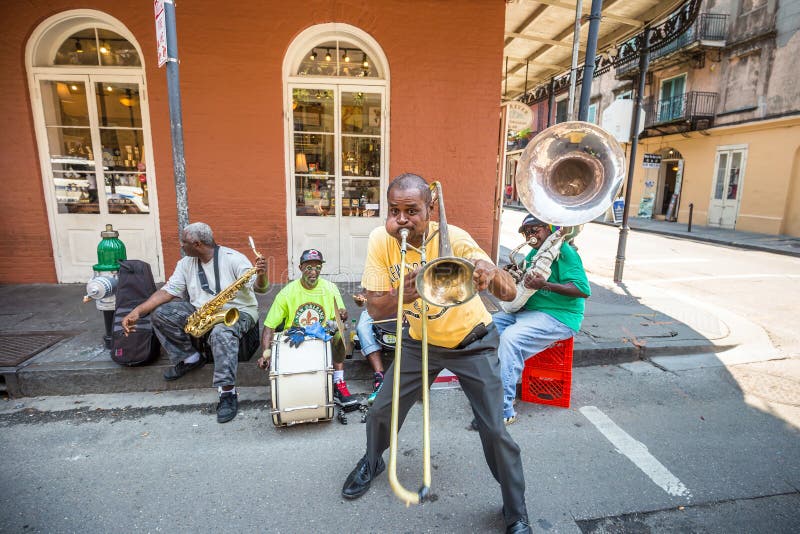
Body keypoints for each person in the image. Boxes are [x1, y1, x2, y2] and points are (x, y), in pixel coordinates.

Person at [341, 173, 532, 534]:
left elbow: (509, 295)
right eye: (394, 210)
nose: (401, 219)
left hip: (471, 342)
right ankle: (372, 461)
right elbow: (377, 310)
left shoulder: (456, 238)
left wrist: (490, 273)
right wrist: (406, 293)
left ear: (430, 209)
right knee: (382, 409)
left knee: (494, 428)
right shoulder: (381, 241)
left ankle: (515, 511)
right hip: (419, 340)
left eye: (411, 211)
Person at [121, 222, 269, 423]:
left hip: (237, 312)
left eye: (184, 242)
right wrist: (138, 311)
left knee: (221, 333)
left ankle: (227, 393)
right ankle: (189, 358)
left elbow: (260, 288)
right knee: (161, 314)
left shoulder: (233, 259)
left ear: (197, 244)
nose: (181, 246)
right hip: (203, 309)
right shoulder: (186, 264)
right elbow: (167, 291)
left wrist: (261, 275)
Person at [493, 214, 590, 425]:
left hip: (558, 316)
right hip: (529, 312)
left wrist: (544, 285)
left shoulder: (565, 252)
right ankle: (493, 390)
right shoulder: (533, 253)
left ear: (548, 229)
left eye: (535, 230)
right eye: (526, 232)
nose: (530, 235)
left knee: (511, 339)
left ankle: (503, 409)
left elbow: (582, 290)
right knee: (487, 327)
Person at [257, 249, 357, 408]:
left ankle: (338, 382)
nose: (314, 271)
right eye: (309, 267)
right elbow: (269, 326)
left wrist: (342, 315)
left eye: (318, 267)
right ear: (300, 268)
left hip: (322, 338)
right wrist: (265, 354)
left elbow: (339, 318)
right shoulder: (287, 293)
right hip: (295, 339)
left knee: (339, 333)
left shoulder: (330, 288)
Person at [352, 294, 386, 405]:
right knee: (362, 328)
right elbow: (362, 298)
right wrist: (360, 299)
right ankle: (380, 379)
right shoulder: (374, 276)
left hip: (403, 308)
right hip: (376, 309)